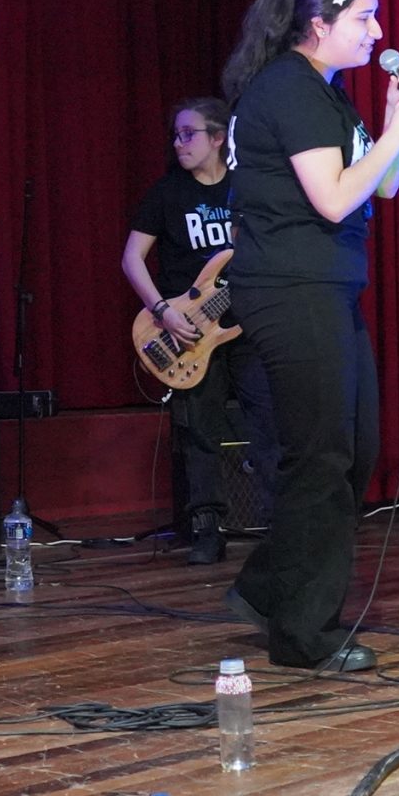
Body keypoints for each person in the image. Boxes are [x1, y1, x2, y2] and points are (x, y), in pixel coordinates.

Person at [216, 0, 399, 672]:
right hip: (292, 288)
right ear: (318, 24)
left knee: (353, 452)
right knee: (323, 458)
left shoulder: (327, 94)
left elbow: (385, 187)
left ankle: (266, 588)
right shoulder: (290, 87)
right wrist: (395, 136)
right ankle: (302, 634)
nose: (377, 32)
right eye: (363, 18)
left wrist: (397, 127)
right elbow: (335, 199)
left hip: (325, 287)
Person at [120, 97, 278, 565]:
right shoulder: (167, 194)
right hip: (185, 332)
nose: (179, 142)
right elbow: (131, 259)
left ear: (218, 138)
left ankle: (281, 523)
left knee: (268, 420)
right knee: (199, 432)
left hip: (244, 325)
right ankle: (207, 529)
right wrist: (162, 310)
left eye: (188, 134)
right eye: (176, 134)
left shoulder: (245, 189)